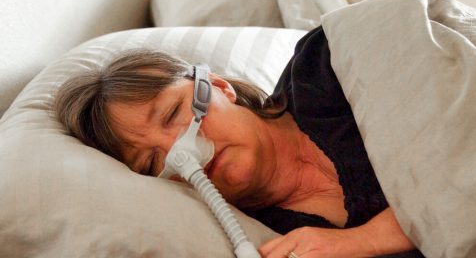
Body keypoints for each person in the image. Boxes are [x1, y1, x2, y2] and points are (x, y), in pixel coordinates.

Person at [54, 27, 423, 258]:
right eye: (152, 162)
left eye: (172, 114)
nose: (184, 152)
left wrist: (369, 239)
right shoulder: (262, 237)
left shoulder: (328, 64)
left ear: (218, 86)